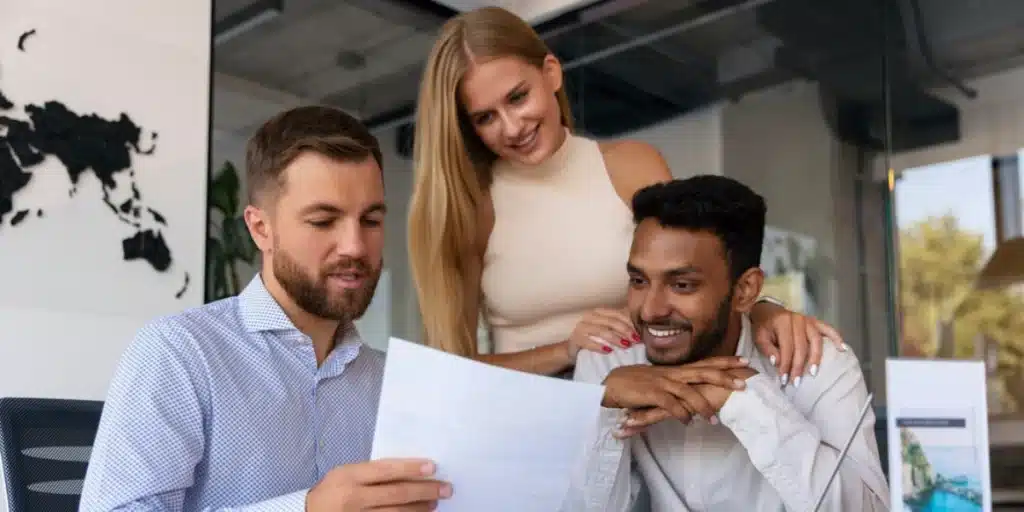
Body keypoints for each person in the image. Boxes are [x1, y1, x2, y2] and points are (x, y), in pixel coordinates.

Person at [407, 6, 846, 396]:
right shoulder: (472, 208)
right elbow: (450, 369)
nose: (511, 126)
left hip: (649, 415)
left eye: (518, 97)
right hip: (534, 420)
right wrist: (565, 350)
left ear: (552, 73)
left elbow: (701, 273)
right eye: (486, 117)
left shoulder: (630, 165)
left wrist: (765, 311)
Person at [80, 106, 451, 511]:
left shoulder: (389, 383)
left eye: (371, 220)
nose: (355, 247)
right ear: (261, 228)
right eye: (324, 221)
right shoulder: (181, 353)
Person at [567, 175, 889, 511]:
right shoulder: (607, 362)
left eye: (682, 285)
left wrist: (745, 401)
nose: (650, 310)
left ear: (745, 290)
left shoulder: (815, 363)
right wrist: (603, 412)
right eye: (638, 280)